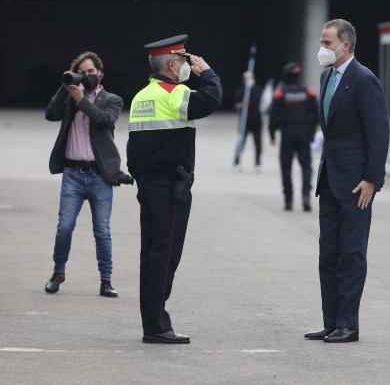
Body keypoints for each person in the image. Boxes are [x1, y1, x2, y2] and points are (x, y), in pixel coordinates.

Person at [126, 34, 222, 344]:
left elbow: (133, 148)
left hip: (149, 185)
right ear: (170, 64)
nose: (186, 65)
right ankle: (157, 326)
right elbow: (210, 100)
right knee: (166, 255)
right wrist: (207, 73)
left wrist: (142, 179)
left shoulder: (142, 96)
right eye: (182, 60)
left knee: (151, 253)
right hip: (171, 187)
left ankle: (151, 322)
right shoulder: (174, 93)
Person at [304, 19, 389, 343]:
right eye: (322, 42)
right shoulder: (327, 76)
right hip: (329, 179)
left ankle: (348, 324)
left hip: (356, 185)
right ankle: (331, 321)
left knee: (351, 254)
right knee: (329, 253)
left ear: (346, 46)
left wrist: (372, 179)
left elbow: (378, 134)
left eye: (327, 43)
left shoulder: (364, 80)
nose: (322, 48)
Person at [44, 51, 132, 298]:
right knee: (64, 227)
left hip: (100, 176)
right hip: (72, 174)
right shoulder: (71, 98)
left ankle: (106, 281)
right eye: (83, 72)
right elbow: (50, 114)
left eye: (91, 71)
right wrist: (66, 88)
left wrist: (82, 99)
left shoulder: (112, 99)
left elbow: (104, 120)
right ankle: (57, 273)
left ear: (100, 73)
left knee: (102, 232)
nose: (88, 75)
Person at [269, 62, 319, 211]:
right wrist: (310, 133)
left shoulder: (280, 93)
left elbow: (273, 117)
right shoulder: (309, 92)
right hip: (303, 133)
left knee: (286, 167)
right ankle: (305, 196)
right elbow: (317, 116)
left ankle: (288, 200)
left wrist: (272, 134)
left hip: (287, 133)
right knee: (306, 167)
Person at [233, 71, 263, 173]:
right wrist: (243, 103)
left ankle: (257, 163)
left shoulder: (257, 89)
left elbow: (257, 100)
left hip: (256, 121)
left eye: (250, 78)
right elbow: (236, 105)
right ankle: (236, 162)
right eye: (246, 79)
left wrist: (249, 98)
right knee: (241, 142)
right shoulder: (240, 91)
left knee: (258, 143)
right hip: (244, 121)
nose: (248, 80)